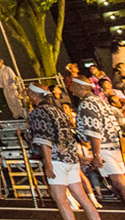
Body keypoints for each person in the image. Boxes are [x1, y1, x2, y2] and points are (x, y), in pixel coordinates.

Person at [26, 82, 100, 220]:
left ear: (34, 95)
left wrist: (48, 163)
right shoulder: (58, 111)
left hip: (56, 159)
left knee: (60, 199)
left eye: (29, 93)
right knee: (82, 198)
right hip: (70, 158)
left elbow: (44, 139)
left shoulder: (38, 112)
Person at [71, 75, 125, 209]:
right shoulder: (98, 100)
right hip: (112, 144)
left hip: (104, 146)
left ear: (81, 86)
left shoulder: (88, 103)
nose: (70, 88)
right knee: (118, 182)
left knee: (119, 182)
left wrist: (97, 154)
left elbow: (94, 129)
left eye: (73, 85)